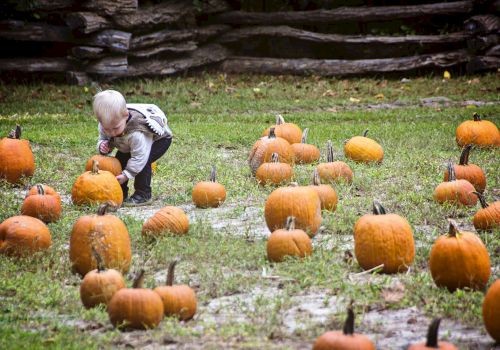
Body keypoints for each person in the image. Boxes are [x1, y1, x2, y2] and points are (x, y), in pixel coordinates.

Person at [93, 89, 172, 206]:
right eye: (107, 129)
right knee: (119, 161)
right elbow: (103, 138)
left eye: (115, 128)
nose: (112, 133)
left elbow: (140, 157)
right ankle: (120, 192)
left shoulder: (137, 133)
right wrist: (103, 145)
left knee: (144, 162)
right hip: (128, 143)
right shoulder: (108, 123)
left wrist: (127, 174)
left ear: (125, 116)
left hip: (159, 140)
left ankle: (143, 194)